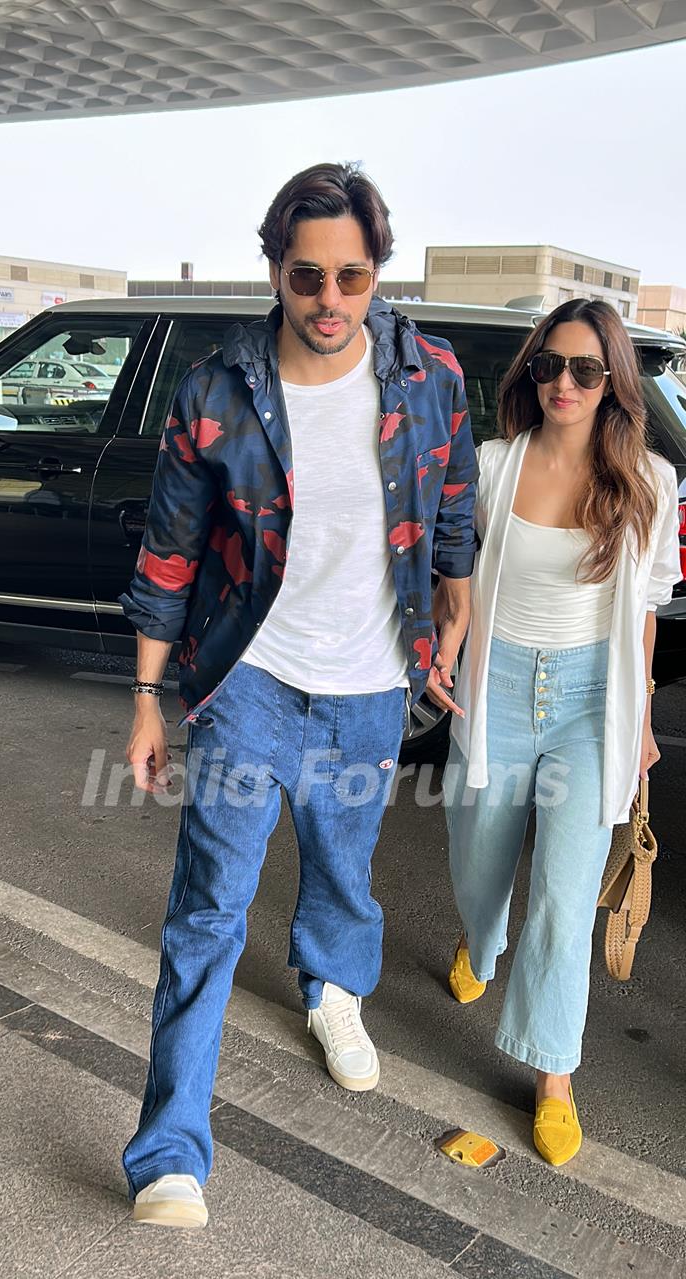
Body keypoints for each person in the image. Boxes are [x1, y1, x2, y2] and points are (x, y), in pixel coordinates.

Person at [119, 161, 478, 1227]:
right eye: (308, 277)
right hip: (250, 683)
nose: (331, 302)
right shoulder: (216, 389)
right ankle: (170, 1152)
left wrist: (452, 613)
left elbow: (452, 504)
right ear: (273, 269)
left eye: (353, 279)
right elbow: (171, 553)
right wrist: (147, 698)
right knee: (207, 912)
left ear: (378, 274)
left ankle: (332, 988)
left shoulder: (430, 378)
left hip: (372, 686)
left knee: (342, 866)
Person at [444, 297, 681, 1167]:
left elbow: (647, 609)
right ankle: (479, 932)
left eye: (585, 368)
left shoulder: (651, 482)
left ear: (613, 381)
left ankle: (554, 1076)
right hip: (497, 683)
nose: (565, 383)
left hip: (593, 697)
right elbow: (459, 581)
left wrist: (643, 716)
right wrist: (446, 646)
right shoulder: (493, 466)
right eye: (550, 366)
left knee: (565, 890)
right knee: (479, 853)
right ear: (530, 374)